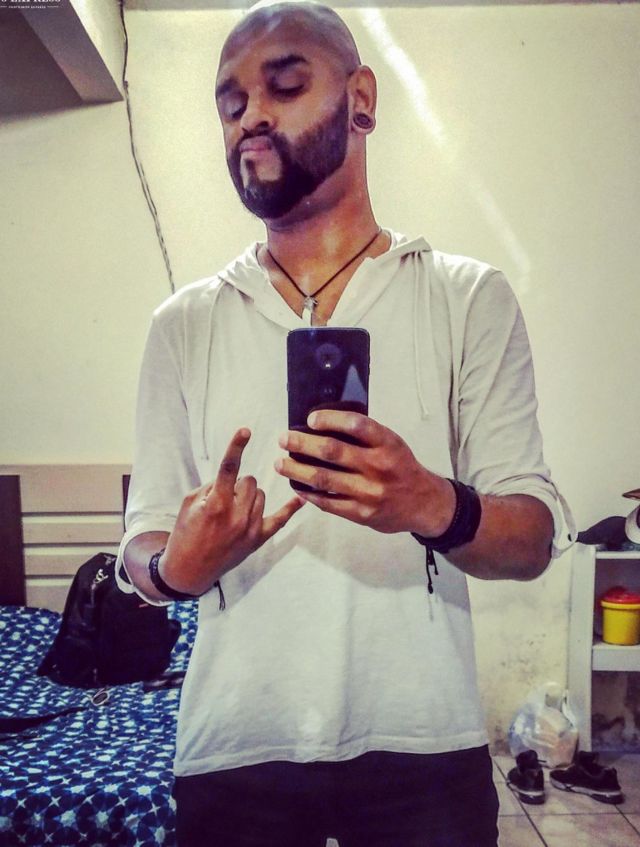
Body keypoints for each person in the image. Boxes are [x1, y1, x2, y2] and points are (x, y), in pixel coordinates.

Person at [116, 2, 573, 844]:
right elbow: (139, 547)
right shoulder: (182, 325)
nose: (250, 116)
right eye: (229, 104)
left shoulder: (466, 297)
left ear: (361, 98)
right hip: (236, 745)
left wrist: (433, 504)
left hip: (424, 745)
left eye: (285, 86)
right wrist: (175, 569)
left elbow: (535, 539)